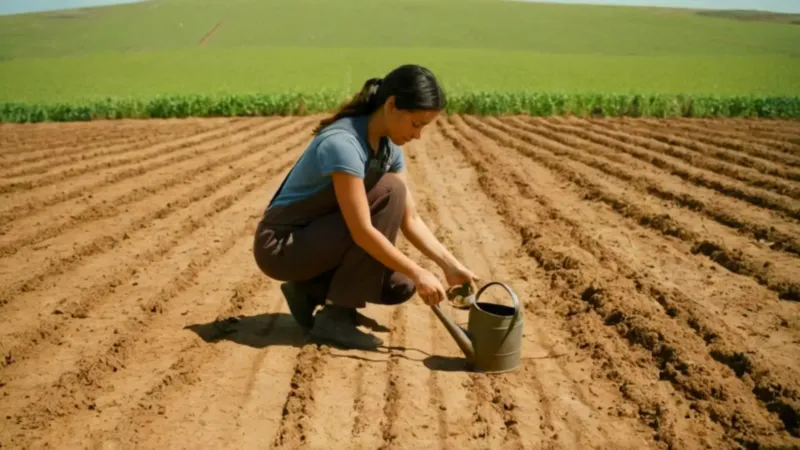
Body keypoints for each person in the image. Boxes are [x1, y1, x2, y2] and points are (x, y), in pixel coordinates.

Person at [252, 64, 479, 350]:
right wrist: (419, 271)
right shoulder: (343, 143)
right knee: (391, 191)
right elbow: (361, 231)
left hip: (316, 239)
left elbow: (411, 219)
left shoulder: (388, 148)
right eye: (416, 123)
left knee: (399, 285)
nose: (418, 135)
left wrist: (450, 266)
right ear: (392, 105)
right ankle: (336, 316)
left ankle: (308, 291)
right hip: (282, 246)